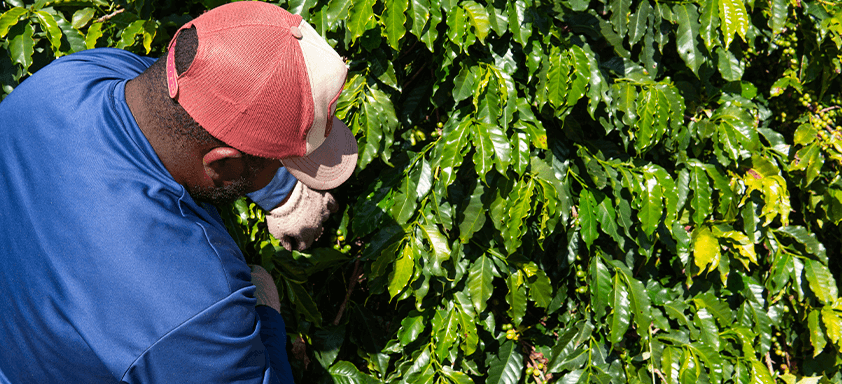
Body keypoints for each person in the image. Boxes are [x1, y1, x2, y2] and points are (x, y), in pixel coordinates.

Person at [0, 1, 356, 382]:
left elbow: (195, 104)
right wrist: (267, 315)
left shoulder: (77, 76)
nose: (282, 173)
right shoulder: (198, 308)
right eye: (279, 164)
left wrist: (280, 191)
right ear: (222, 164)